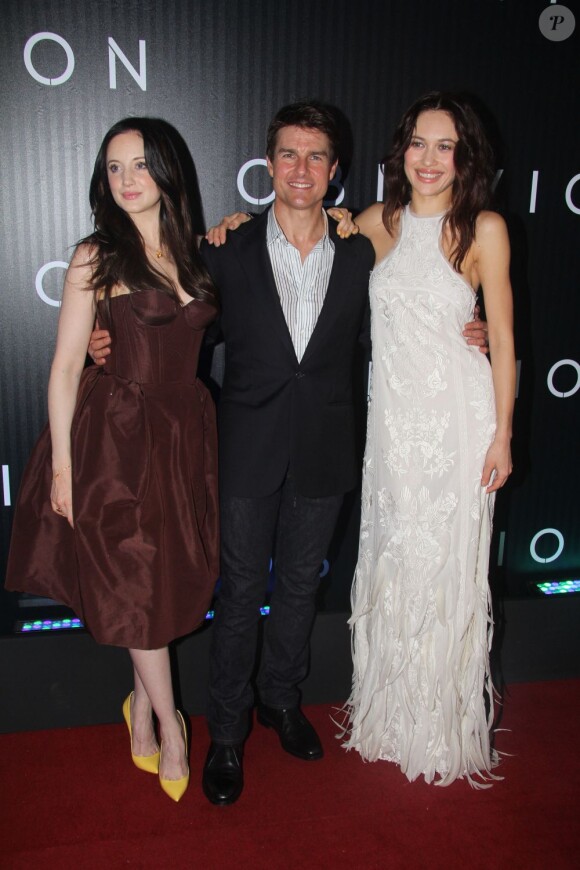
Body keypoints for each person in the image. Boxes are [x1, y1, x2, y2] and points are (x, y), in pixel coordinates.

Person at [90, 101, 488, 805]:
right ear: (268, 164)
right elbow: (180, 335)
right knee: (240, 595)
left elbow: (423, 296)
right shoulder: (223, 248)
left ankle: (280, 702)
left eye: (315, 157)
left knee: (300, 589)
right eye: (288, 155)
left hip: (326, 449)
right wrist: (108, 344)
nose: (300, 169)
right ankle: (230, 734)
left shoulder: (366, 248)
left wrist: (471, 324)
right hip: (245, 447)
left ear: (334, 173)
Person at [5, 118, 220, 802]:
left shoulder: (196, 249)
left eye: (139, 165)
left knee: (156, 585)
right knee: (133, 579)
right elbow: (66, 368)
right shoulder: (96, 255)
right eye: (114, 167)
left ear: (166, 171)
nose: (126, 180)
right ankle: (170, 728)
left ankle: (137, 716)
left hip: (184, 437)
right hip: (118, 442)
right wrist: (65, 470)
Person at [334, 92, 515, 786]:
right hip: (392, 423)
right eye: (419, 143)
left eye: (446, 146)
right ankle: (388, 713)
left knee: (445, 568)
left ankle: (439, 727)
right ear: (399, 152)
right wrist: (236, 223)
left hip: (458, 420)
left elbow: (500, 336)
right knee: (394, 557)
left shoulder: (484, 228)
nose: (431, 159)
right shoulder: (379, 222)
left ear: (464, 157)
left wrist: (502, 436)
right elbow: (306, 231)